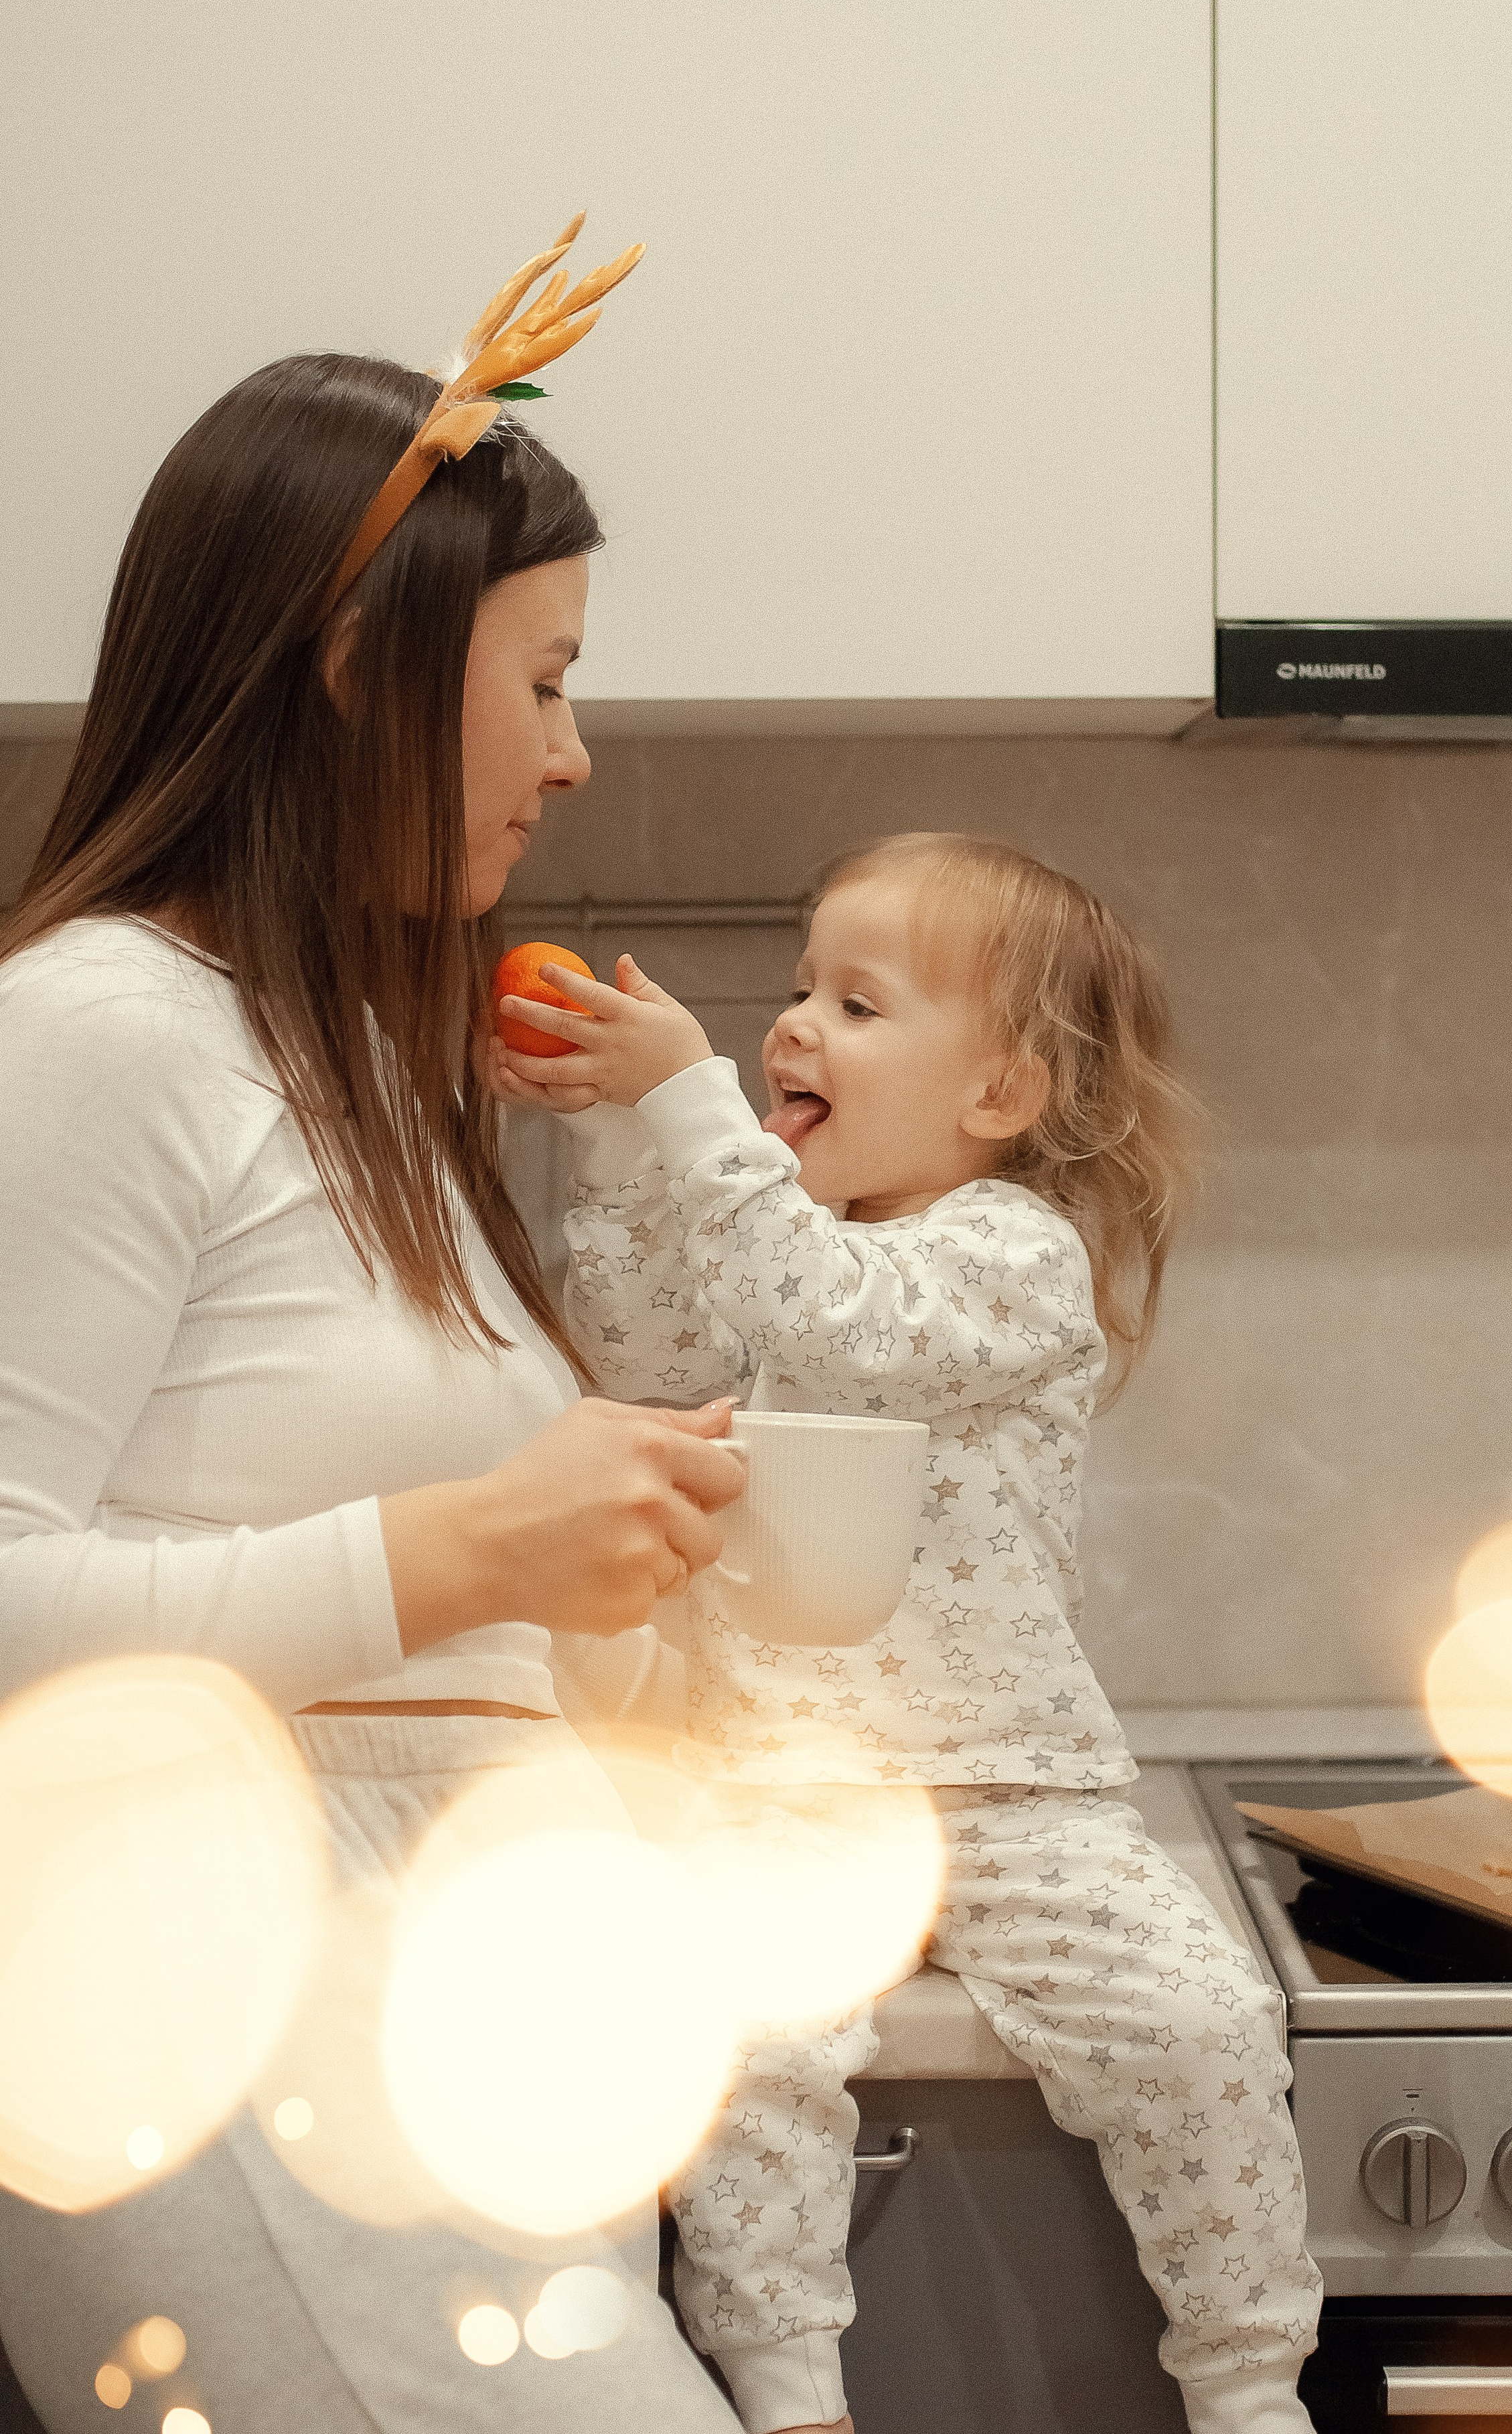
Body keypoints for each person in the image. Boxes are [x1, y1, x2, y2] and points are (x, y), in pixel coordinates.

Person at [0, 223, 747, 2433]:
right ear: (355, 669)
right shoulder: (98, 1032)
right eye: (546, 680)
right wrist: (470, 1547)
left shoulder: (346, 1063)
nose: (577, 754)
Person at [491, 834, 1325, 2434]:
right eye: (800, 988)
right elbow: (650, 1354)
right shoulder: (776, 1241)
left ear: (998, 1095)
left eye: (856, 1005)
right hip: (779, 1784)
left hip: (1014, 1789)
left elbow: (834, 1321)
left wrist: (692, 1110)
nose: (793, 1025)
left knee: (1200, 2022)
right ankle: (789, 2387)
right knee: (739, 2027)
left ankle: (1244, 2384)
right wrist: (621, 1137)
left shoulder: (1010, 1253)